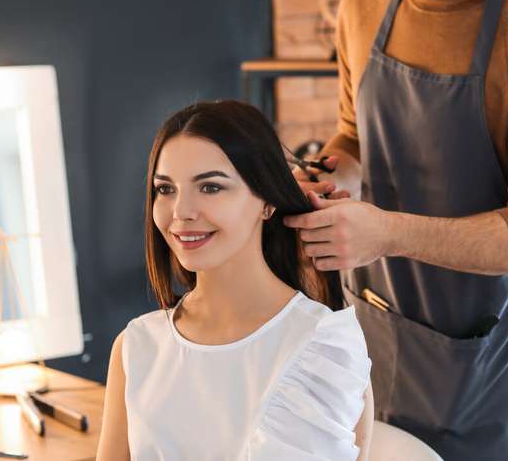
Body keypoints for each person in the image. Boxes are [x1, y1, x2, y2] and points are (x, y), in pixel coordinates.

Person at [283, 0, 508, 459]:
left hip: (485, 381)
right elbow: (355, 136)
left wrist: (387, 234)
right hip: (373, 349)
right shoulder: (361, 6)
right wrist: (330, 175)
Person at [96, 100, 374, 461]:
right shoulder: (136, 347)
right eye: (166, 189)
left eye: (210, 187)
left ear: (267, 201)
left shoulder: (326, 348)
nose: (181, 212)